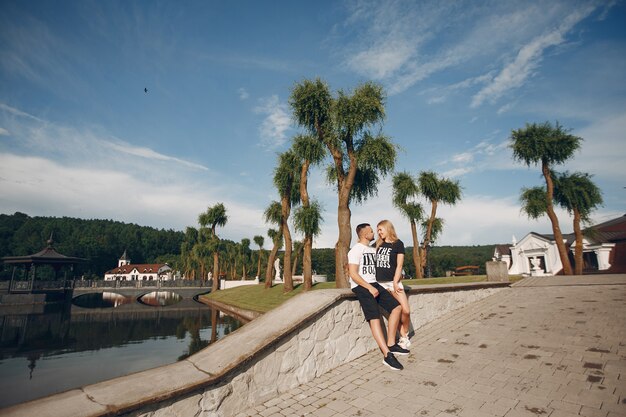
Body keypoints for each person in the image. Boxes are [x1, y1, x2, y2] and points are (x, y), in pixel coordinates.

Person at [348, 223, 409, 371]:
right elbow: (353, 273)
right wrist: (369, 287)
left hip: (375, 284)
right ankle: (387, 355)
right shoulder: (355, 250)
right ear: (364, 234)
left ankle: (391, 344)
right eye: (371, 231)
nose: (373, 233)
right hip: (362, 287)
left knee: (397, 307)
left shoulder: (371, 248)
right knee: (375, 319)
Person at [375, 220, 411, 350]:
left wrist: (396, 282)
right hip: (380, 283)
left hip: (393, 282)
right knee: (394, 311)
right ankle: (403, 337)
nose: (379, 232)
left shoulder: (398, 244)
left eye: (380, 229)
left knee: (406, 310)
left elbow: (399, 265)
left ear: (388, 228)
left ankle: (404, 333)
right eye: (377, 230)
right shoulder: (377, 244)